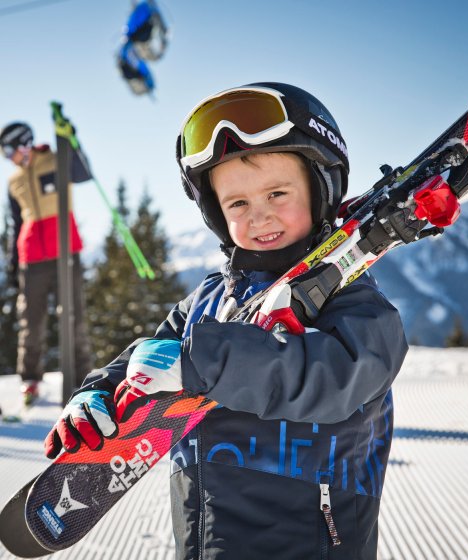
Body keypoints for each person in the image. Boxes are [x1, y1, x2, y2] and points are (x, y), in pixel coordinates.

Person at [44, 83, 408, 559]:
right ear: (216, 212)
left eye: (277, 193)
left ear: (321, 189)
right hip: (205, 538)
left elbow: (336, 376)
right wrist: (96, 393)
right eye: (237, 204)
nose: (259, 216)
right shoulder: (210, 299)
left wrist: (204, 366)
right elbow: (150, 353)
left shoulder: (355, 302)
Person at [0, 122, 92, 404]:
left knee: (73, 315)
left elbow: (82, 173)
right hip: (32, 257)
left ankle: (84, 379)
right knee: (31, 319)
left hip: (65, 249)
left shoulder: (56, 159)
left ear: (23, 144)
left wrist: (70, 139)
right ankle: (30, 379)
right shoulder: (14, 181)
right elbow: (16, 223)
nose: (7, 158)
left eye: (8, 151)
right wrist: (15, 264)